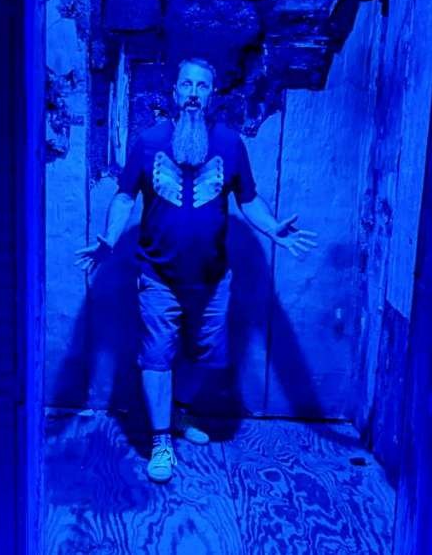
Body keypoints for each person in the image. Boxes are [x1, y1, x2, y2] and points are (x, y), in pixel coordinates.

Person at [75, 58, 318, 483]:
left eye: (201, 86)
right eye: (185, 84)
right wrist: (110, 237)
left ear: (211, 95)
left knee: (206, 355)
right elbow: (124, 196)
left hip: (212, 278)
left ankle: (180, 412)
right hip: (158, 275)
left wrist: (274, 228)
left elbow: (248, 199)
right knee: (157, 355)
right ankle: (161, 441)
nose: (192, 93)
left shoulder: (230, 144)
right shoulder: (149, 142)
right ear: (174, 92)